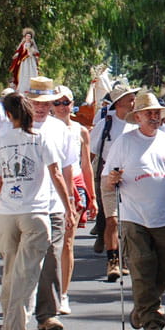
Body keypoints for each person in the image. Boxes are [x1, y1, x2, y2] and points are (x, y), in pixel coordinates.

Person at [0, 92, 73, 330]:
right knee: (26, 275)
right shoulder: (40, 138)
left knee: (10, 272)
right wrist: (68, 207)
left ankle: (8, 325)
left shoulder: (0, 141)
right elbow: (56, 174)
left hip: (7, 214)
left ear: (8, 115)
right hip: (35, 212)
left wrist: (5, 201)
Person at [102, 93, 165, 330]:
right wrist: (112, 179)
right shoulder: (124, 142)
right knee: (142, 268)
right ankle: (152, 322)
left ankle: (142, 305)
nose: (153, 116)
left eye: (156, 112)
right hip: (134, 216)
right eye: (148, 112)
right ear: (137, 117)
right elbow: (107, 181)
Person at [25, 77, 78, 330]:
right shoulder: (14, 128)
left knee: (51, 258)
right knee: (22, 262)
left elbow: (67, 169)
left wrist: (70, 203)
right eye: (36, 102)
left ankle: (47, 313)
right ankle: (18, 312)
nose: (41, 107)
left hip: (53, 204)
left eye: (47, 103)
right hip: (23, 207)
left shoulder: (61, 130)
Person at [48, 85, 96, 315]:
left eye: (65, 102)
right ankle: (45, 292)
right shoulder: (44, 129)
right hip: (50, 186)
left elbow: (86, 165)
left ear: (72, 104)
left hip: (75, 185)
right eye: (56, 103)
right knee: (47, 243)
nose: (61, 107)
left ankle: (63, 294)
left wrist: (92, 197)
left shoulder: (80, 131)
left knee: (67, 241)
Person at [88, 83, 139, 279]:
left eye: (134, 99)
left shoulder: (137, 124)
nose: (133, 102)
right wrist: (87, 178)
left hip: (133, 179)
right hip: (108, 176)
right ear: (118, 103)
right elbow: (92, 153)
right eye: (130, 99)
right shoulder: (105, 124)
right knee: (112, 220)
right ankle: (113, 262)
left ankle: (124, 257)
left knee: (128, 221)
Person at [9, 28, 39, 93]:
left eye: (29, 36)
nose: (28, 37)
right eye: (27, 36)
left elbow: (36, 52)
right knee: (24, 73)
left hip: (30, 60)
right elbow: (19, 51)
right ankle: (23, 87)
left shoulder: (32, 45)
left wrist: (31, 51)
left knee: (31, 72)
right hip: (24, 61)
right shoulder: (23, 44)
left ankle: (32, 87)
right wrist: (16, 54)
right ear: (25, 37)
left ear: (31, 38)